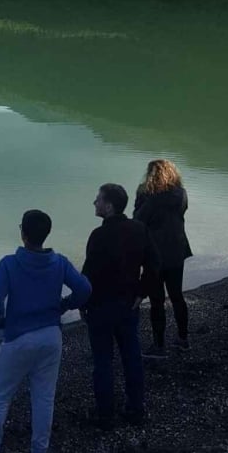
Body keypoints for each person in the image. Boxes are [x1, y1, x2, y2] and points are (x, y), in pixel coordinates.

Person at [0, 209, 91, 453]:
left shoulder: (9, 264)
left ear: (23, 234)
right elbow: (85, 289)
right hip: (50, 336)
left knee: (0, 396)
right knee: (44, 397)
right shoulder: (59, 262)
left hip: (18, 337)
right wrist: (65, 305)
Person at [80, 183, 159, 429]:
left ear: (109, 206)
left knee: (103, 361)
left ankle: (105, 413)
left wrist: (83, 303)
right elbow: (154, 264)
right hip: (128, 303)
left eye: (98, 199)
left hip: (101, 306)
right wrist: (142, 292)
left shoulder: (99, 235)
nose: (95, 202)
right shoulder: (139, 229)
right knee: (131, 356)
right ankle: (136, 408)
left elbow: (89, 275)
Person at [133, 159, 193, 356]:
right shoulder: (181, 194)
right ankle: (183, 339)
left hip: (155, 254)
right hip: (177, 250)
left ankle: (159, 345)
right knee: (177, 296)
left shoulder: (148, 196)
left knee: (157, 300)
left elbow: (138, 220)